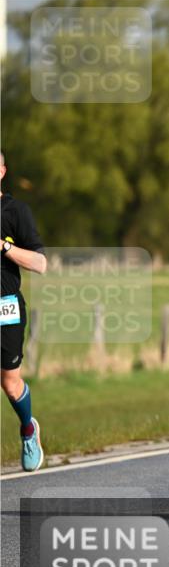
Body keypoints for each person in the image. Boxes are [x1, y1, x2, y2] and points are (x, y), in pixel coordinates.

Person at [0, 151, 47, 471]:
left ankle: (29, 429)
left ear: (2, 171)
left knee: (10, 383)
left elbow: (41, 264)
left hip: (6, 306)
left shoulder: (16, 211)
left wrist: (4, 247)